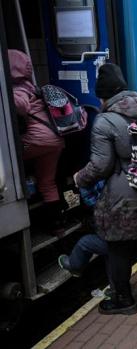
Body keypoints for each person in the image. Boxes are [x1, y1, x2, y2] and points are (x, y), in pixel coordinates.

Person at [74, 63, 137, 315]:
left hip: (125, 196)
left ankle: (123, 300)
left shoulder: (105, 121)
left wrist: (79, 178)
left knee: (118, 248)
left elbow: (101, 166)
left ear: (104, 95)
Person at [8, 49, 66, 234]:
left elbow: (21, 106)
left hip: (36, 141)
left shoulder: (18, 88)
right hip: (55, 140)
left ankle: (25, 191)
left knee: (11, 158)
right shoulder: (32, 86)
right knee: (47, 182)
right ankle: (57, 224)